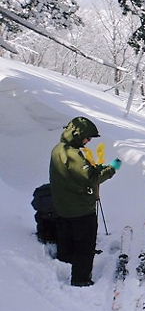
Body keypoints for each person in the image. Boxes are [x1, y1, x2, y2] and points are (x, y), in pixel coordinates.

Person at [49, 116, 118, 286]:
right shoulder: (73, 154)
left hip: (62, 207)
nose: (88, 141)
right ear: (77, 134)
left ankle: (65, 260)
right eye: (87, 137)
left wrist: (95, 168)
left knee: (67, 237)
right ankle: (81, 279)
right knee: (85, 246)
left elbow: (78, 174)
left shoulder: (58, 149)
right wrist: (112, 169)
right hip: (80, 211)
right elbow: (92, 179)